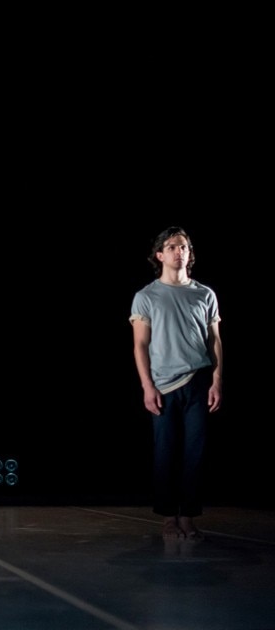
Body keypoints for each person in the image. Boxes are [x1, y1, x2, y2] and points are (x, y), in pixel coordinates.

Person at [130, 226, 222, 540]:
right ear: (160, 255)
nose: (178, 251)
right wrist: (147, 386)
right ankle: (169, 517)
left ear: (189, 252)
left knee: (195, 452)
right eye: (171, 247)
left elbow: (215, 341)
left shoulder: (204, 294)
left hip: (198, 380)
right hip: (163, 385)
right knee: (166, 452)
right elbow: (140, 345)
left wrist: (217, 380)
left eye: (183, 246)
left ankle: (188, 516)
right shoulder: (146, 296)